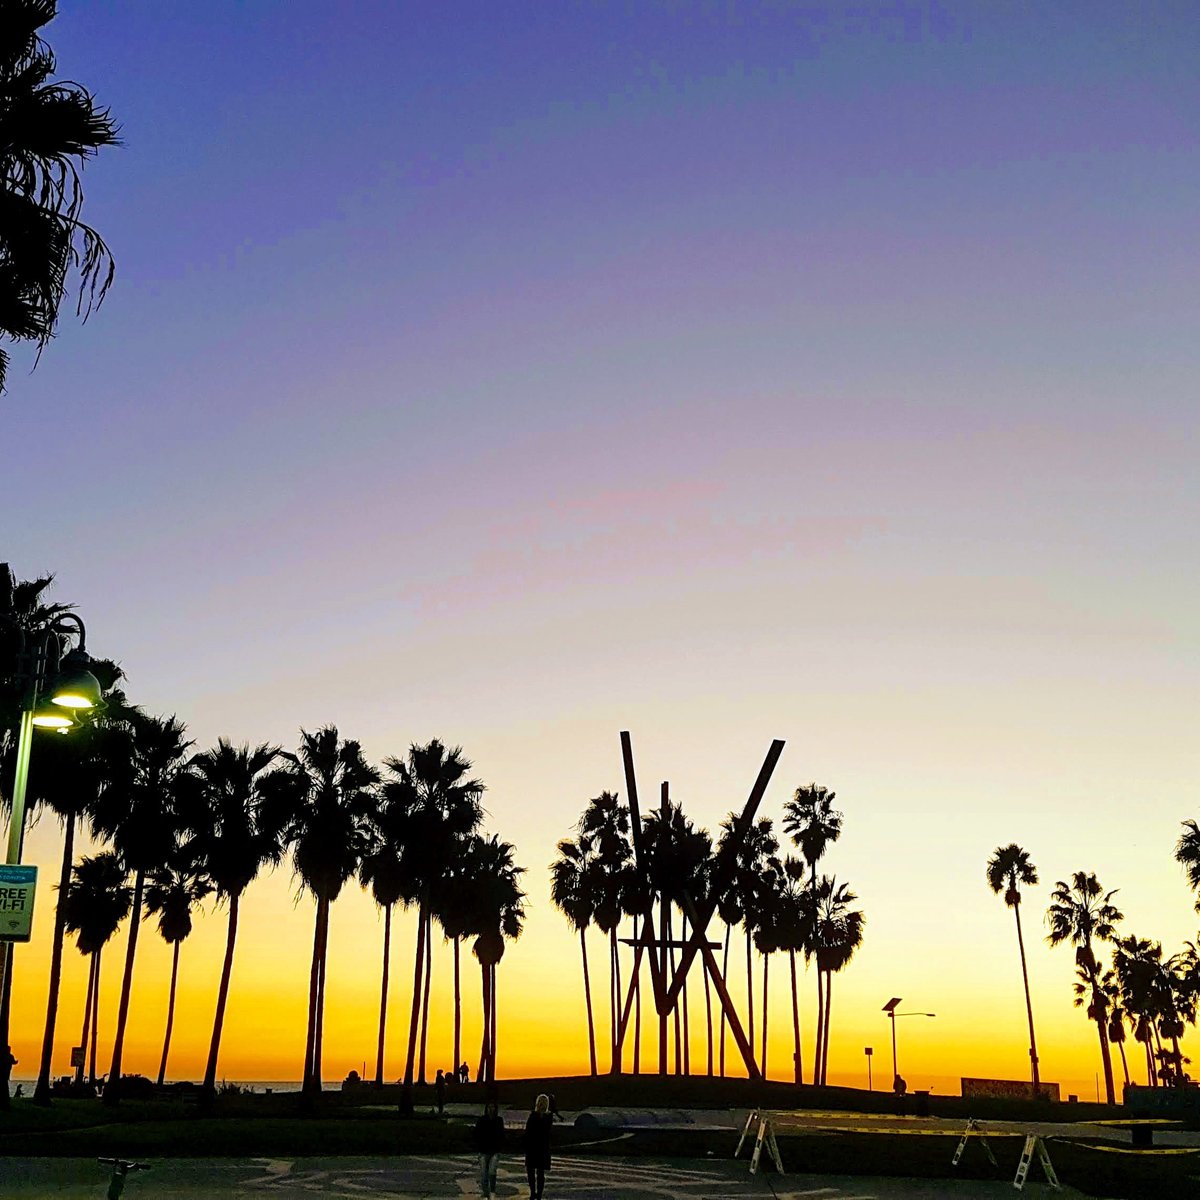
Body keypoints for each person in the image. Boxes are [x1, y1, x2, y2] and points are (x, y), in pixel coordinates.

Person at [473, 1100, 506, 1199]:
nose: (491, 1109)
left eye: (493, 1107)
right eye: (489, 1107)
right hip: (483, 1151)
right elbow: (477, 1133)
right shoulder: (482, 1120)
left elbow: (501, 1135)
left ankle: (492, 1190)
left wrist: (499, 1147)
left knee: (492, 1172)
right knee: (484, 1174)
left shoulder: (499, 1120)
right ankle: (486, 1192)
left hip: (494, 1151)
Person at [524, 1093, 553, 1199]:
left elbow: (546, 1131)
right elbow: (528, 1131)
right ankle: (533, 1192)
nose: (542, 1105)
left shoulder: (548, 1117)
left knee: (540, 1173)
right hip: (533, 1147)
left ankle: (538, 1194)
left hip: (542, 1147)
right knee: (532, 1172)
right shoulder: (534, 1116)